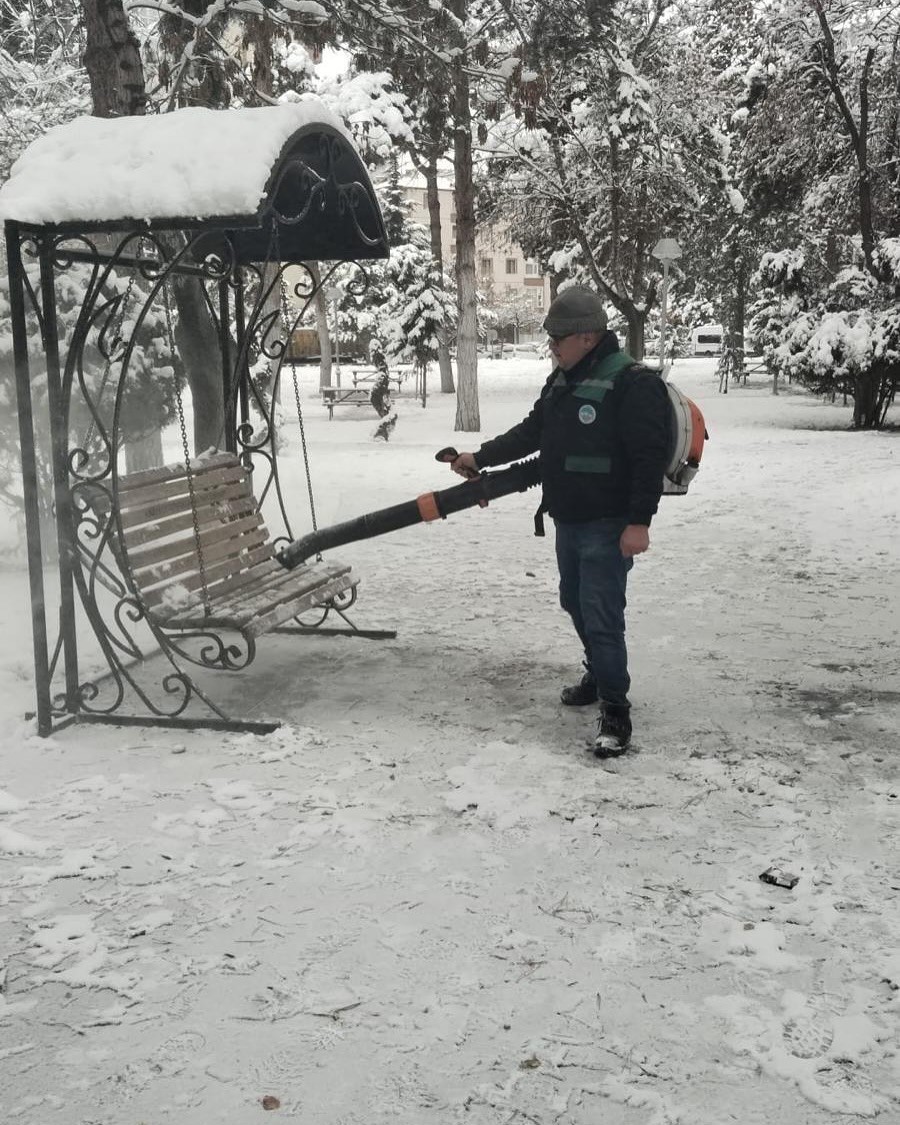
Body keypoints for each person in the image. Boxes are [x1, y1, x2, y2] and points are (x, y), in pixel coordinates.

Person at [448, 286, 670, 756]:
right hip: (568, 520)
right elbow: (534, 434)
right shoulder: (562, 381)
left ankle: (615, 709)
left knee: (602, 615)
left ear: (588, 337)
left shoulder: (633, 383)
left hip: (609, 525)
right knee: (573, 601)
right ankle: (598, 672)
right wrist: (480, 457)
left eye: (557, 338)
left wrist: (640, 522)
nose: (551, 346)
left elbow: (648, 459)